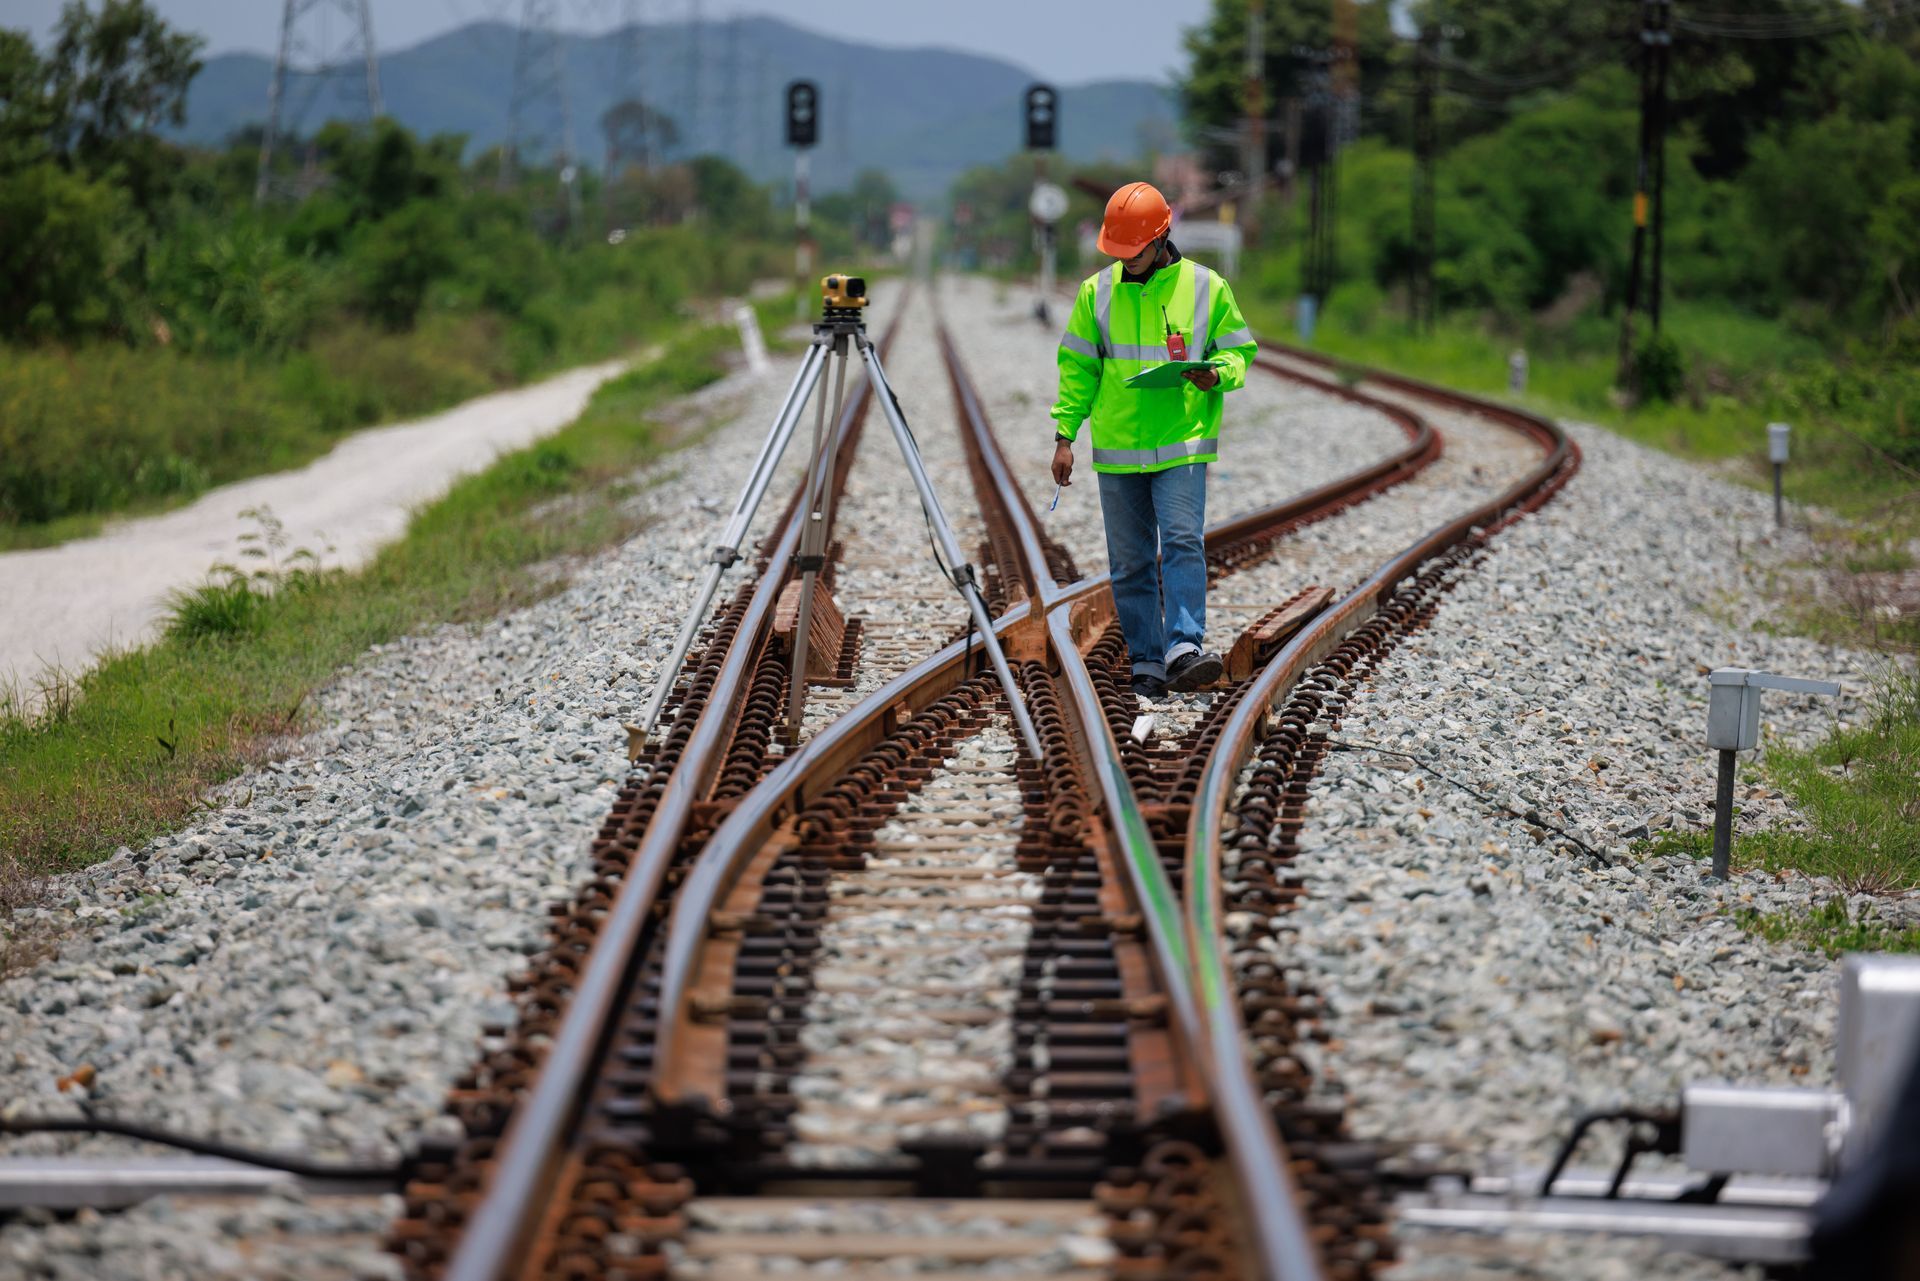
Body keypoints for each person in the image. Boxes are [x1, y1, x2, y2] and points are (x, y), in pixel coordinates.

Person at [1049, 180, 1258, 700]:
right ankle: (1146, 659)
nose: (1127, 260)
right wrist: (1064, 434)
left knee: (1183, 542)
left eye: (1134, 250)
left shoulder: (1207, 287)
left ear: (1161, 236)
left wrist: (1217, 374)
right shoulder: (1095, 293)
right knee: (1130, 561)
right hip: (1118, 449)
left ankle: (1183, 648)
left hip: (1182, 441)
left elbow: (1239, 351)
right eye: (1118, 251)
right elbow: (1078, 371)